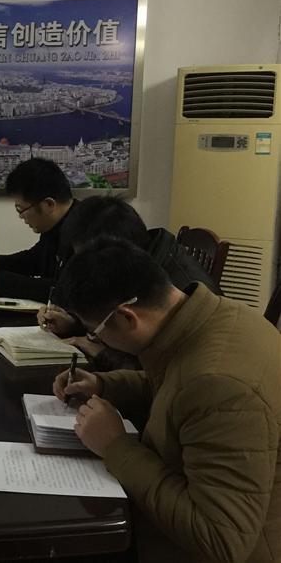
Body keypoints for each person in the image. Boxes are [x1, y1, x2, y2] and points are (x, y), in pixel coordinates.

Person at [52, 237, 280, 563]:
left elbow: (221, 539)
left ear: (127, 317)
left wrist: (115, 446)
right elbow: (174, 388)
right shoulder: (212, 319)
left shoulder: (219, 384)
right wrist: (102, 385)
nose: (97, 340)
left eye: (94, 333)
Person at [39, 196, 221, 371]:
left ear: (116, 249)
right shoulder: (137, 261)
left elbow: (157, 371)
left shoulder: (178, 291)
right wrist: (75, 324)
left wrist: (100, 352)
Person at [0, 158, 75, 301]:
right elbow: (35, 259)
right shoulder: (56, 225)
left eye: (21, 209)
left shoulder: (88, 232)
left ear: (48, 204)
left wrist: (2, 283)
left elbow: (69, 291)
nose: (21, 217)